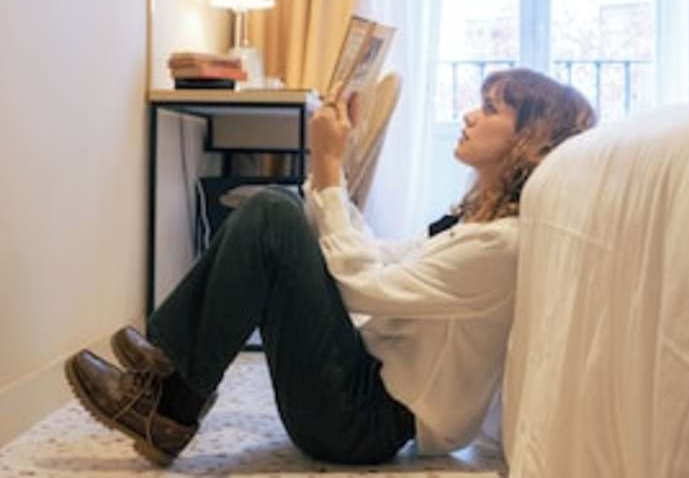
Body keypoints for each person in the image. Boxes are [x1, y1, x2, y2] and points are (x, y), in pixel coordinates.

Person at [64, 67, 596, 467]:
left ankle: (170, 389)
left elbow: (362, 286)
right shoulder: (476, 222)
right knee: (278, 208)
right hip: (365, 395)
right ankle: (170, 397)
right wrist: (328, 175)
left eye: (490, 108)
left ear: (529, 140)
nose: (469, 115)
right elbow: (381, 256)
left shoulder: (499, 245)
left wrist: (329, 164)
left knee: (272, 212)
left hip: (364, 424)